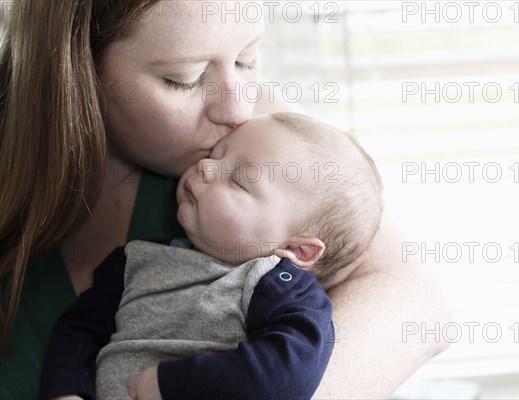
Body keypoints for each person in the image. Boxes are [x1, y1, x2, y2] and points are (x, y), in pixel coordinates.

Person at [0, 1, 451, 399]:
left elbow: (418, 308)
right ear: (75, 72)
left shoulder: (264, 143)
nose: (239, 110)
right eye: (185, 79)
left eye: (248, 58)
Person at [38, 112, 383, 399]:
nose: (206, 167)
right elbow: (80, 329)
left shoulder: (276, 285)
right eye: (217, 154)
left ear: (296, 249)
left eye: (238, 181)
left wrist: (173, 384)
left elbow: (287, 371)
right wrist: (68, 390)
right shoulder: (133, 260)